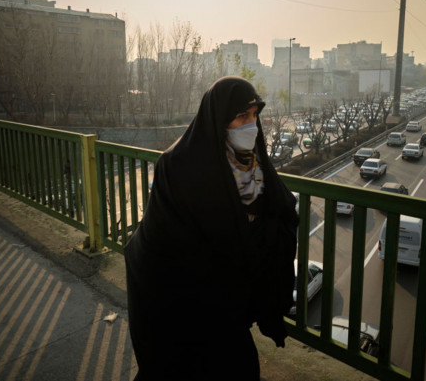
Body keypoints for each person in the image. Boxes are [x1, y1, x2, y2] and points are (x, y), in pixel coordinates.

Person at [124, 76, 299, 380]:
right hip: (186, 310)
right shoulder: (177, 167)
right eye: (241, 117)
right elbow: (163, 246)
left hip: (232, 310)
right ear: (218, 119)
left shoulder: (254, 166)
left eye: (255, 115)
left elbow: (280, 213)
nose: (251, 125)